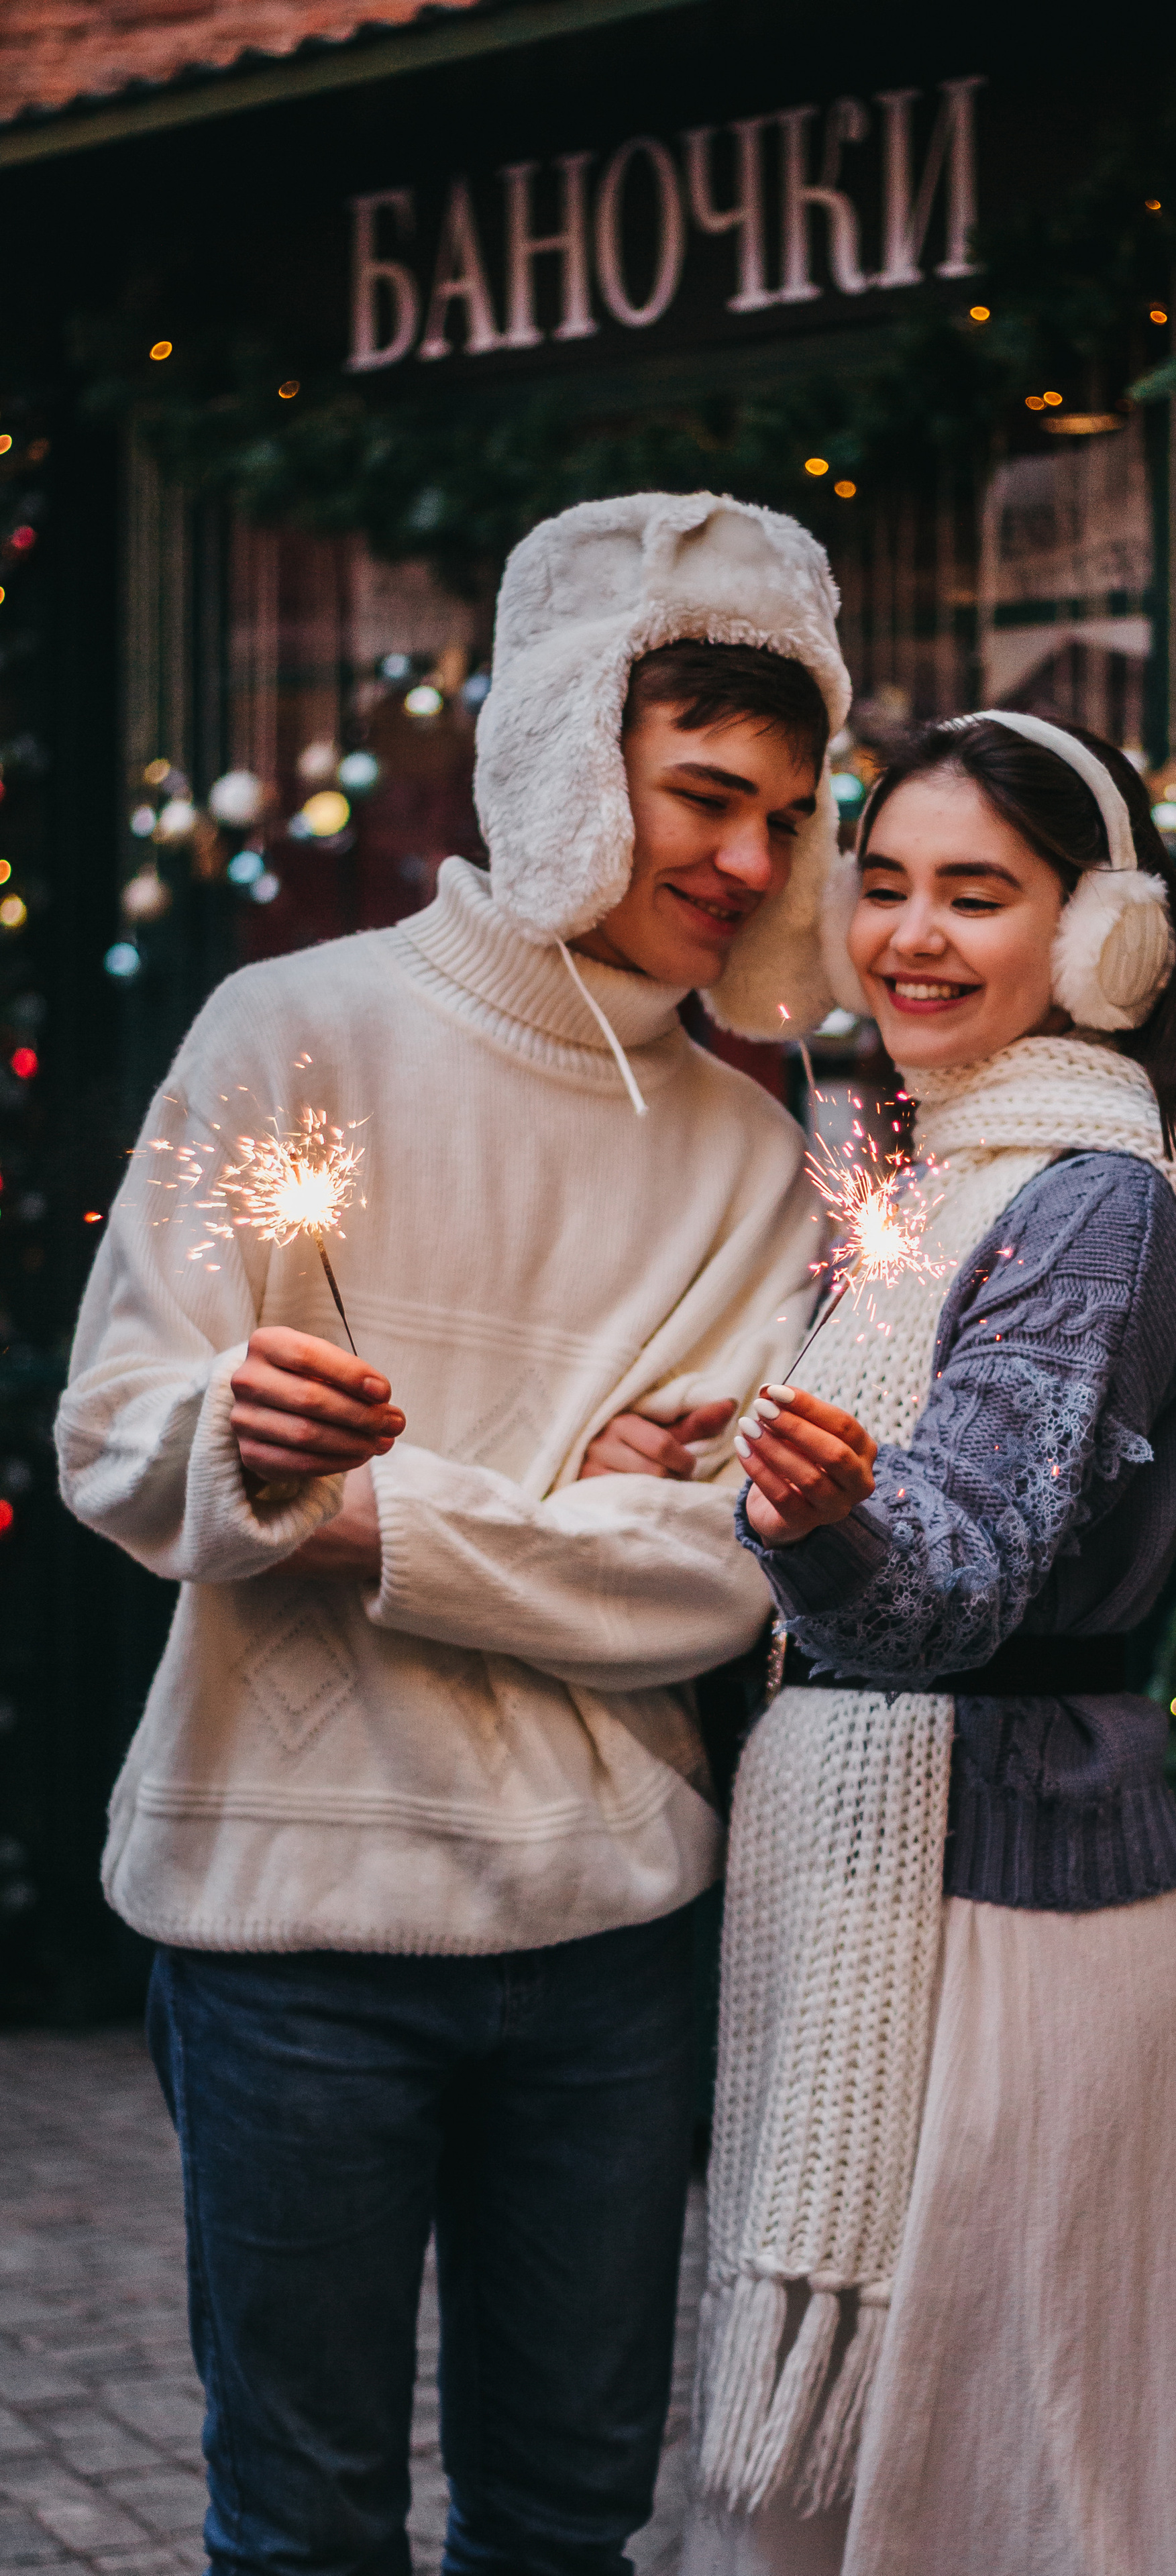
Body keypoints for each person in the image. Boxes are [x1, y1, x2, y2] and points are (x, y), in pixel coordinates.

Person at [56, 492, 855, 2576]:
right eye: (703, 795)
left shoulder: (759, 1162)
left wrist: (362, 1516)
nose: (751, 864)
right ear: (565, 753)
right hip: (287, 1930)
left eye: (787, 814)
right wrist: (240, 1443)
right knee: (303, 2523)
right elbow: (116, 1436)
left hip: (611, 1948)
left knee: (569, 2523)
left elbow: (718, 1568)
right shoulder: (289, 1032)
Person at [686, 712, 1176, 2576]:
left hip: (1015, 1914)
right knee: (914, 2483)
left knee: (993, 2488)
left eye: (978, 894)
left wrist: (822, 1519)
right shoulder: (953, 1176)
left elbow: (955, 1575)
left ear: (1102, 934)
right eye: (882, 883)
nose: (910, 933)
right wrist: (745, 1447)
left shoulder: (1089, 1203)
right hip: (926, 1880)